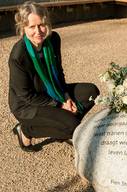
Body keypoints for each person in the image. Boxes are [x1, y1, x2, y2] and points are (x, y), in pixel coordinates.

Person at [9, 1, 100, 152]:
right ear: (23, 28)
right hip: (27, 105)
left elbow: (58, 72)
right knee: (73, 126)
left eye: (42, 25)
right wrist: (60, 105)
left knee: (91, 92)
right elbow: (26, 95)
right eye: (32, 27)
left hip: (53, 91)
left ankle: (66, 127)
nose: (38, 31)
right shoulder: (18, 56)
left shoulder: (53, 39)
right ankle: (26, 130)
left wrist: (66, 97)